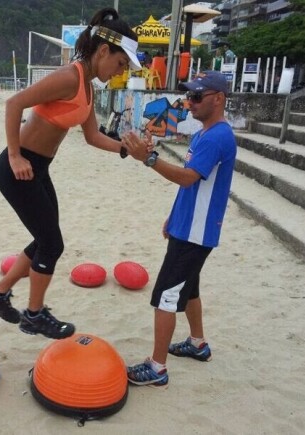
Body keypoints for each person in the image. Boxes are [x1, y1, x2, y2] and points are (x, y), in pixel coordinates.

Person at [0, 7, 142, 340]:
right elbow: (14, 104)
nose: (120, 72)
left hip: (38, 168)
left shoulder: (90, 88)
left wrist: (127, 150)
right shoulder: (70, 77)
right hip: (18, 168)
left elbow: (93, 136)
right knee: (52, 244)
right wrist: (14, 155)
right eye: (121, 64)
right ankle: (34, 315)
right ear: (104, 51)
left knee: (44, 238)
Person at [124, 71, 237, 386]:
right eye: (189, 96)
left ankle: (157, 368)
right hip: (188, 227)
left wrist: (148, 159)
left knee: (166, 297)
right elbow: (191, 184)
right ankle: (198, 343)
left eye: (197, 97)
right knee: (190, 289)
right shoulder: (204, 133)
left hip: (195, 234)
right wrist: (173, 218)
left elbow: (188, 177)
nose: (190, 102)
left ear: (218, 98)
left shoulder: (217, 136)